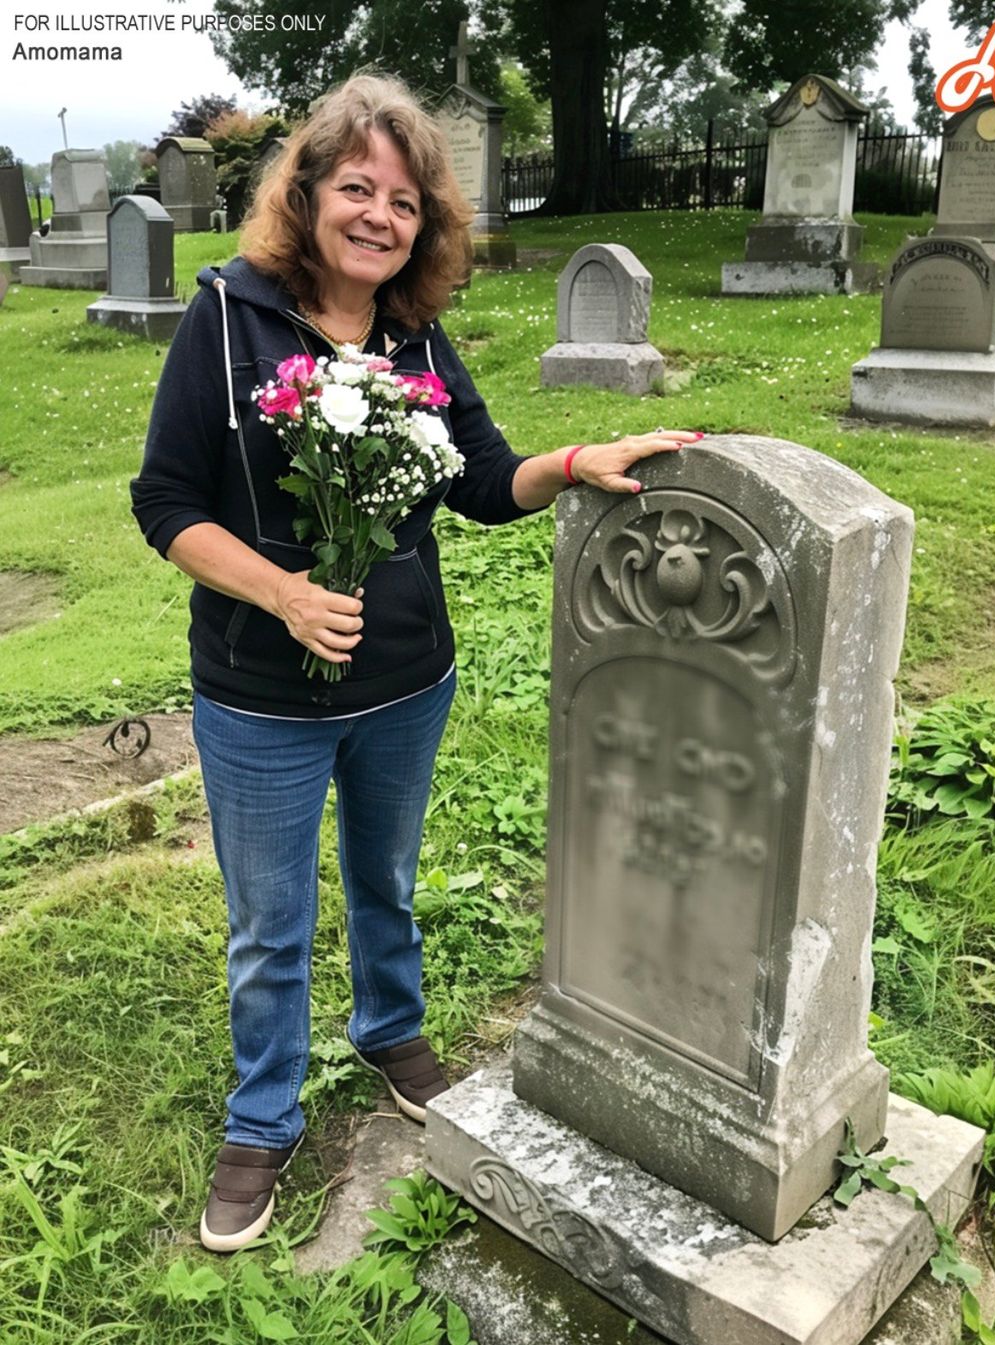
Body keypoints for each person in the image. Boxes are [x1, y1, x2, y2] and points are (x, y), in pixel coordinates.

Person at [131, 71, 700, 1254]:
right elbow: (166, 500)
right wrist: (283, 591)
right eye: (356, 188)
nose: (380, 216)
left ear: (425, 224)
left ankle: (392, 1033)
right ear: (307, 193)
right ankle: (264, 1115)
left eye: (404, 200)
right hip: (259, 697)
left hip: (407, 683)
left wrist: (581, 457)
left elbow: (484, 481)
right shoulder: (228, 319)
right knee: (269, 925)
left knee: (386, 881)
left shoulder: (414, 333)